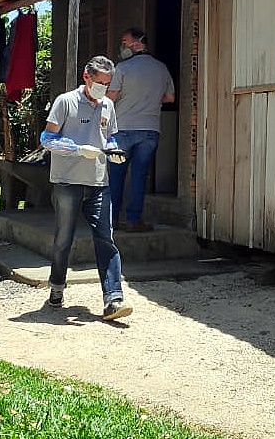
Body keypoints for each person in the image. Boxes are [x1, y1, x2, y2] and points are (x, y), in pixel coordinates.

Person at [40, 55, 132, 321]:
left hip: (98, 181)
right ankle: (57, 286)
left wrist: (113, 149)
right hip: (67, 181)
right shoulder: (65, 101)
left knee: (106, 238)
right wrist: (78, 149)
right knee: (64, 239)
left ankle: (113, 298)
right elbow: (47, 139)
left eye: (107, 83)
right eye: (99, 82)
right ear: (86, 77)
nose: (102, 88)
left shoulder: (108, 105)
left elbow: (110, 136)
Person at [107, 28, 175, 233]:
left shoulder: (122, 68)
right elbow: (170, 98)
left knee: (116, 175)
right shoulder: (161, 68)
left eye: (125, 41)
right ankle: (134, 220)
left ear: (138, 43)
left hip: (123, 129)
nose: (123, 46)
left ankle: (111, 220)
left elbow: (110, 97)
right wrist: (150, 100)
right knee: (139, 176)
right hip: (150, 130)